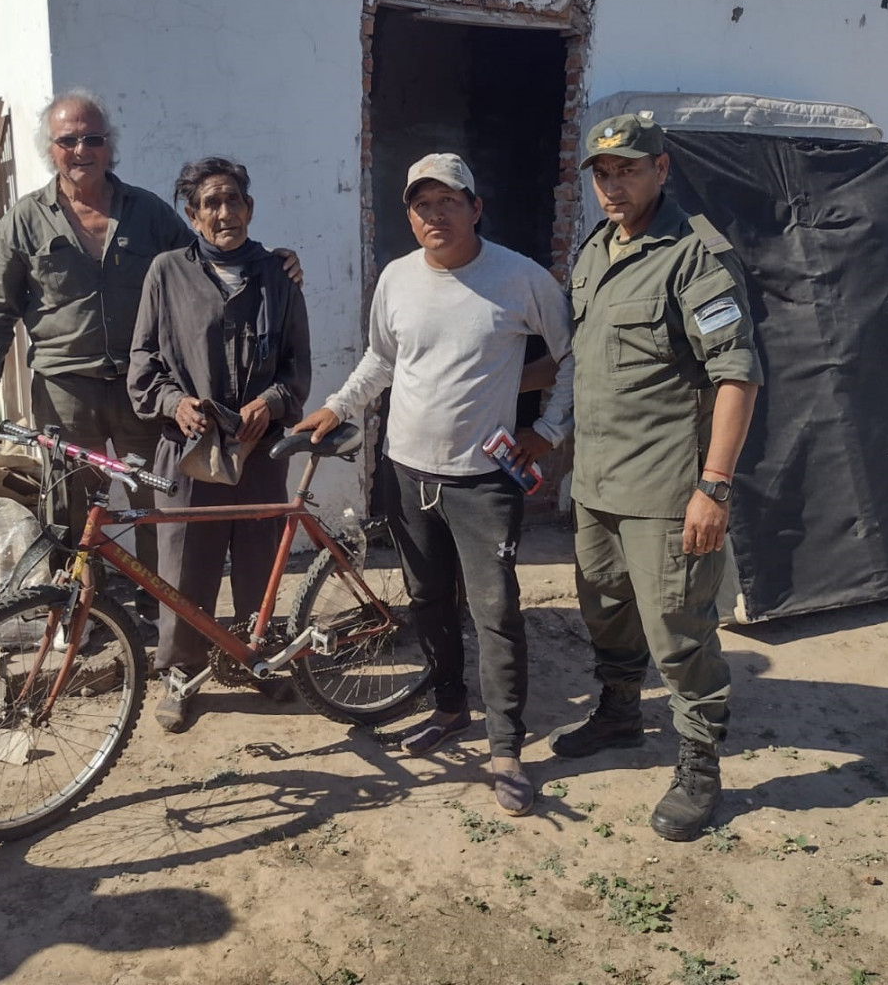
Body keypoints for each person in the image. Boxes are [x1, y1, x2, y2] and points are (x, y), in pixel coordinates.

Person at [294, 153, 575, 818]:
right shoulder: (396, 278)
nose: (434, 215)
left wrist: (551, 431)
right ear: (410, 215)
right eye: (421, 204)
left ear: (476, 207)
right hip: (407, 471)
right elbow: (381, 360)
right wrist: (338, 405)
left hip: (483, 481)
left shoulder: (520, 279)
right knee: (427, 601)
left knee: (495, 611)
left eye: (448, 201)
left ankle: (506, 747)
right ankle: (450, 706)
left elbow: (573, 357)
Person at [0, 88, 302, 623]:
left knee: (158, 504)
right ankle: (80, 612)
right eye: (68, 140)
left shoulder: (147, 212)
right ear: (50, 149)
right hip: (64, 389)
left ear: (110, 147)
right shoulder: (25, 220)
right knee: (71, 507)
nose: (82, 150)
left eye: (93, 139)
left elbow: (210, 253)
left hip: (142, 389)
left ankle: (160, 609)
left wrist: (275, 260)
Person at [548, 114, 761, 843]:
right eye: (603, 174)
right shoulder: (596, 250)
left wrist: (715, 486)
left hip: (668, 489)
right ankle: (617, 712)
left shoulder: (695, 258)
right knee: (604, 607)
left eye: (629, 171)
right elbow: (584, 359)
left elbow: (737, 374)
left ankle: (700, 760)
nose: (613, 185)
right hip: (597, 480)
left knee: (677, 627)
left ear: (661, 170)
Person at [128, 157, 311, 732]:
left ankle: (255, 657)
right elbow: (143, 362)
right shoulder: (166, 272)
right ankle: (182, 673)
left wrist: (275, 402)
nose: (224, 212)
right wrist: (171, 403)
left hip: (258, 448)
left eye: (233, 200)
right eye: (211, 203)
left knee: (260, 556)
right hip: (190, 447)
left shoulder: (279, 276)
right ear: (193, 215)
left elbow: (297, 365)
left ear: (250, 208)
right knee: (185, 562)